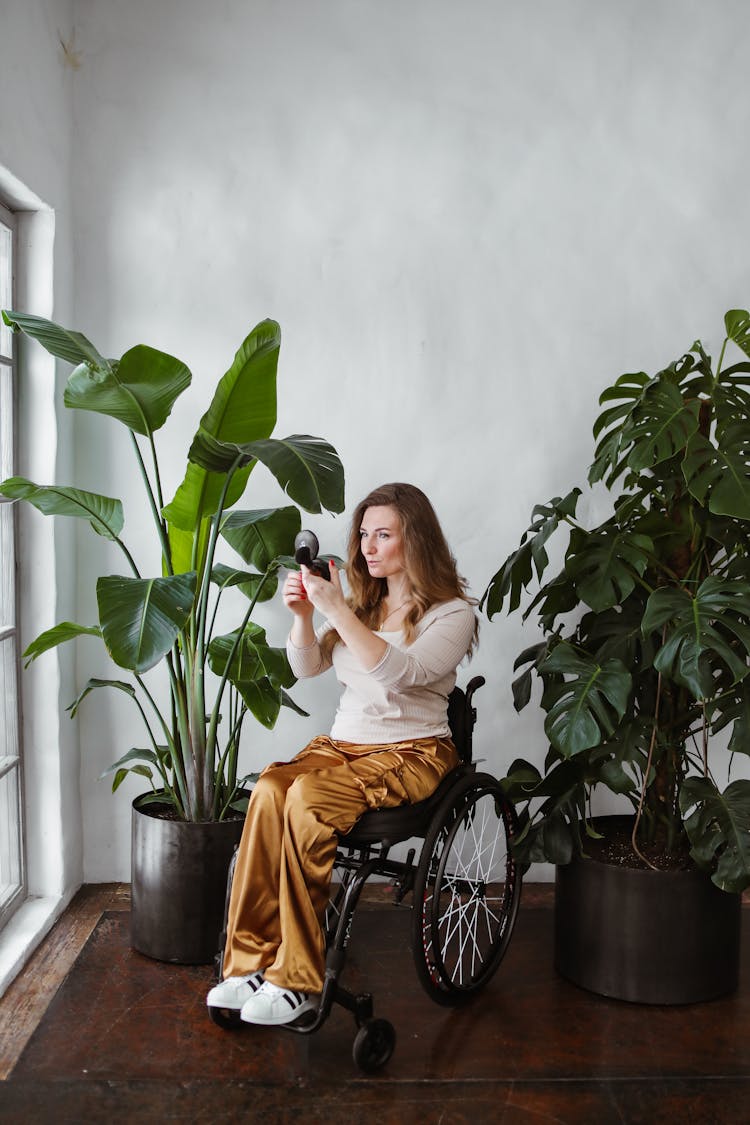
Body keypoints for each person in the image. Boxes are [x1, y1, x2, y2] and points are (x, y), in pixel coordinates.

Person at [206, 482, 478, 1026]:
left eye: (383, 534)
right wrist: (306, 617)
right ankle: (250, 963)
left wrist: (338, 609)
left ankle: (298, 981)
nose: (368, 546)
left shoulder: (452, 613)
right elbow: (307, 667)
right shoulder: (364, 603)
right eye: (363, 533)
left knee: (308, 799)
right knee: (268, 789)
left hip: (413, 750)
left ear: (415, 540)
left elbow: (400, 676)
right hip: (343, 746)